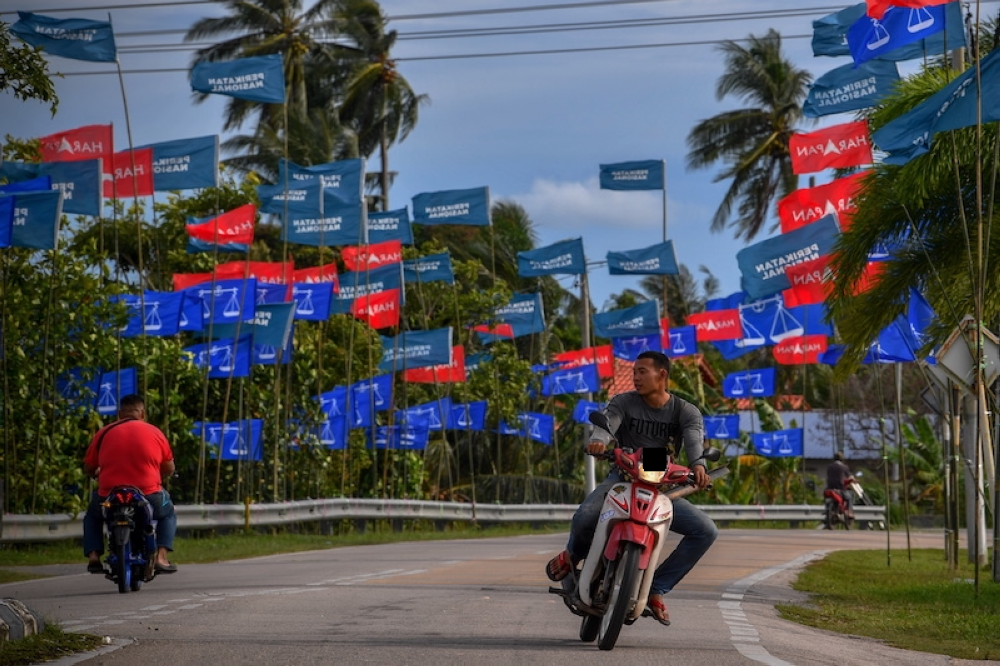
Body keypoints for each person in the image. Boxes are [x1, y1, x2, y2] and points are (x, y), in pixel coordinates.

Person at [545, 350, 717, 627]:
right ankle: (573, 555)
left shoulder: (685, 411)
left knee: (705, 531)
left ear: (661, 375)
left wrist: (699, 467)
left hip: (659, 484)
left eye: (642, 372)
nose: (635, 377)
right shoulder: (623, 402)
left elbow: (696, 443)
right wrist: (599, 441)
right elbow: (607, 424)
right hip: (623, 477)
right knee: (585, 515)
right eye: (634, 372)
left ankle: (656, 589)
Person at [82, 394, 178, 574]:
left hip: (109, 496)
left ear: (120, 414)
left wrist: (96, 474)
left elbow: (89, 466)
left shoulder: (103, 433)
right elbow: (169, 467)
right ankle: (161, 557)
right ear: (142, 413)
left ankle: (94, 556)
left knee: (93, 516)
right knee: (168, 513)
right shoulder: (155, 432)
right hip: (148, 495)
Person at [825, 451, 855, 519]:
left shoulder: (830, 467)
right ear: (842, 459)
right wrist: (853, 479)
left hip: (829, 488)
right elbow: (850, 476)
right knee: (850, 497)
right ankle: (848, 512)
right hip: (840, 488)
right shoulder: (844, 467)